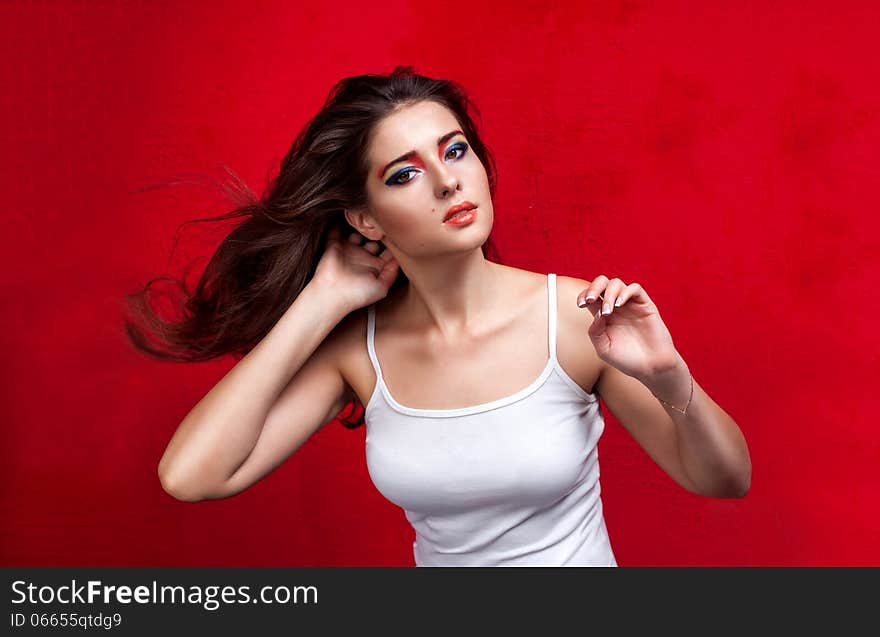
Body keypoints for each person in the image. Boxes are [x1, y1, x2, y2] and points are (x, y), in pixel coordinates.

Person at [126, 66, 751, 567]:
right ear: (364, 218)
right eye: (404, 174)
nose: (448, 182)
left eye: (455, 151)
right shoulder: (357, 350)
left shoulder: (579, 317)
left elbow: (724, 480)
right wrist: (322, 301)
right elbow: (190, 476)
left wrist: (670, 379)